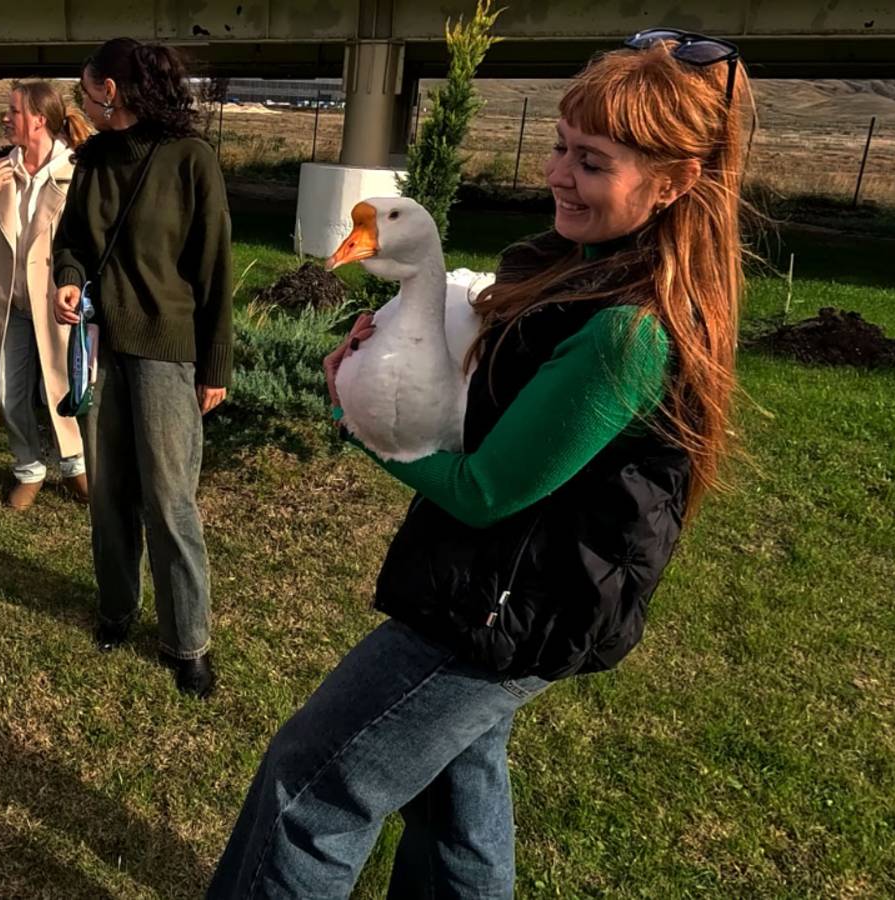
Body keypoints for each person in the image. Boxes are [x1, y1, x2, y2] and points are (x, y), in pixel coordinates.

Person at [209, 30, 750, 898]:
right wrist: (391, 348)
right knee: (455, 806)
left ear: (675, 181)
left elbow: (486, 489)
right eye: (561, 147)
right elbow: (491, 396)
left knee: (311, 790)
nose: (558, 174)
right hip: (504, 591)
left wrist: (358, 420)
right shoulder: (582, 267)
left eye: (592, 162)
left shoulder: (628, 329)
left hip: (498, 613)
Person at [53, 38, 233, 698]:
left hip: (166, 352)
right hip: (101, 349)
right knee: (108, 493)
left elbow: (214, 267)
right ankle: (116, 610)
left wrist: (214, 365)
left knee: (168, 500)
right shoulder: (94, 158)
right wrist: (67, 278)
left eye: (86, 88)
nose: (82, 100)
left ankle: (188, 641)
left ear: (111, 90)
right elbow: (73, 239)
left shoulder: (191, 158)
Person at [0, 81, 92, 510]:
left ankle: (75, 466)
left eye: (13, 110)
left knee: (62, 386)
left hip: (56, 304)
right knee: (9, 391)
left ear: (38, 119)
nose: (5, 117)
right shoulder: (1, 170)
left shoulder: (76, 172)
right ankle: (28, 468)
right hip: (8, 304)